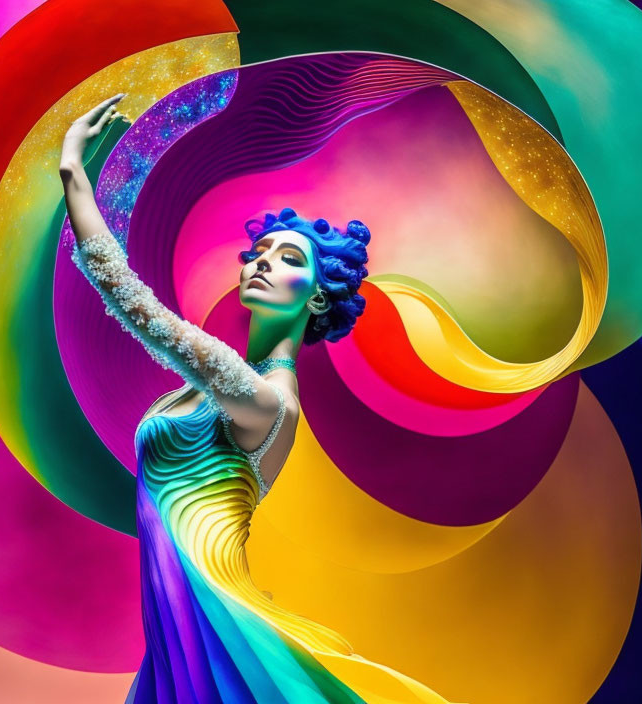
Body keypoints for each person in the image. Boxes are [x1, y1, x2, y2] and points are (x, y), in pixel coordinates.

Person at [60, 94, 459, 704]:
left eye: (288, 257)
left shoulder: (269, 398)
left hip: (219, 624)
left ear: (318, 299)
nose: (262, 263)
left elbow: (130, 301)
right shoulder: (216, 385)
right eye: (258, 255)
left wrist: (74, 173)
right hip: (176, 637)